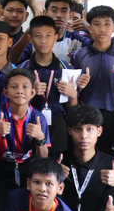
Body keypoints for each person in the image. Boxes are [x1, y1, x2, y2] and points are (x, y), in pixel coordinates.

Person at [0, 68, 50, 211]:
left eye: (25, 87)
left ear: (32, 93)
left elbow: (43, 158)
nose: (19, 91)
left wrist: (40, 138)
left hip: (26, 171)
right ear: (5, 92)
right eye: (14, 87)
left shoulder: (38, 118)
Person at [70, 5, 114, 153]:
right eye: (97, 24)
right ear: (90, 28)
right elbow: (71, 94)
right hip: (84, 115)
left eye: (107, 24)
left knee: (110, 157)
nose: (102, 29)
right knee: (83, 155)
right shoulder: (77, 55)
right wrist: (79, 87)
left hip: (113, 116)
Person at [17, 15, 78, 159]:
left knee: (56, 167)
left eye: (48, 35)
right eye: (38, 36)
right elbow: (13, 106)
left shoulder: (67, 69)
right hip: (28, 124)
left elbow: (73, 111)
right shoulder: (22, 71)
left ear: (56, 37)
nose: (43, 41)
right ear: (30, 39)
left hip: (58, 125)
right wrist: (30, 94)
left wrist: (73, 95)